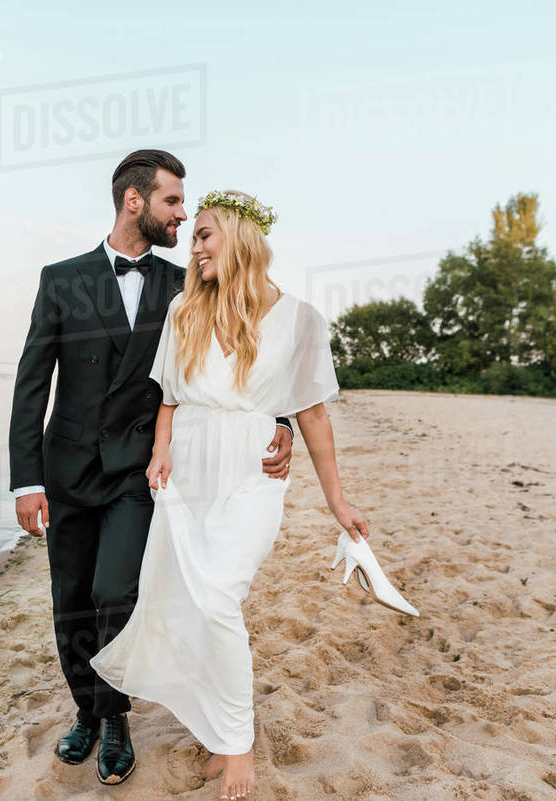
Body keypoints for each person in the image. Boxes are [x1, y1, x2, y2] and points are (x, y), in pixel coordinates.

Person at [8, 154, 297, 786]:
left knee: (117, 593)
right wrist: (26, 480)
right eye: (172, 202)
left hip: (140, 473)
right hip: (67, 470)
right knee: (71, 601)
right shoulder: (61, 280)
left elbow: (256, 350)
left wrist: (283, 422)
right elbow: (32, 384)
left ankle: (115, 719)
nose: (183, 215)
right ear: (135, 202)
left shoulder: (185, 284)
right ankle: (87, 710)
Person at [89, 189, 369, 801]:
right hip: (185, 472)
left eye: (206, 235)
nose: (195, 246)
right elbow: (166, 394)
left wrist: (337, 503)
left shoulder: (299, 319)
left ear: (240, 238)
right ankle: (219, 736)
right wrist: (161, 447)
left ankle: (236, 744)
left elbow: (313, 416)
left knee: (216, 596)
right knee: (193, 605)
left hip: (251, 472)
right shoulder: (186, 307)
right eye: (194, 237)